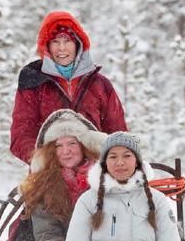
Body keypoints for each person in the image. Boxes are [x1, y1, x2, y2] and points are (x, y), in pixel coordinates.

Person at [61, 132, 185, 241]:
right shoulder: (88, 201)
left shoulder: (157, 201)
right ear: (105, 162)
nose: (120, 162)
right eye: (113, 157)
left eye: (127, 156)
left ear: (137, 161)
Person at [10, 10, 127, 164]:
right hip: (50, 173)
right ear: (47, 47)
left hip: (96, 171)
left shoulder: (99, 84)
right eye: (55, 42)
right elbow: (21, 133)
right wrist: (43, 159)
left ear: (78, 44)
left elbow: (117, 132)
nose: (62, 48)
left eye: (67, 41)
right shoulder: (34, 83)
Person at [19, 110, 106, 241]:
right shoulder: (44, 186)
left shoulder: (108, 177)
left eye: (72, 143)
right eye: (58, 146)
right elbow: (46, 232)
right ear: (51, 152)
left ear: (84, 145)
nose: (66, 151)